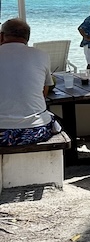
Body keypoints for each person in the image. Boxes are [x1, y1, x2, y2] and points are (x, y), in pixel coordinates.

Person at [0, 18, 61, 147]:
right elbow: (43, 94)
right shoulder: (41, 55)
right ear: (27, 38)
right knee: (58, 120)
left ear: (1, 36)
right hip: (34, 130)